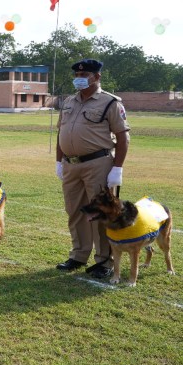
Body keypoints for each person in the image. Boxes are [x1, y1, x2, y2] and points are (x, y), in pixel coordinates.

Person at [55, 58, 130, 279]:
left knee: (100, 213)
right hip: (71, 165)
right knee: (75, 211)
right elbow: (61, 133)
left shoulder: (110, 103)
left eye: (84, 75)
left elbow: (123, 137)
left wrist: (118, 168)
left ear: (97, 77)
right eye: (77, 75)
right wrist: (59, 161)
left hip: (98, 164)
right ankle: (78, 255)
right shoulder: (69, 101)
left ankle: (104, 261)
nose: (79, 79)